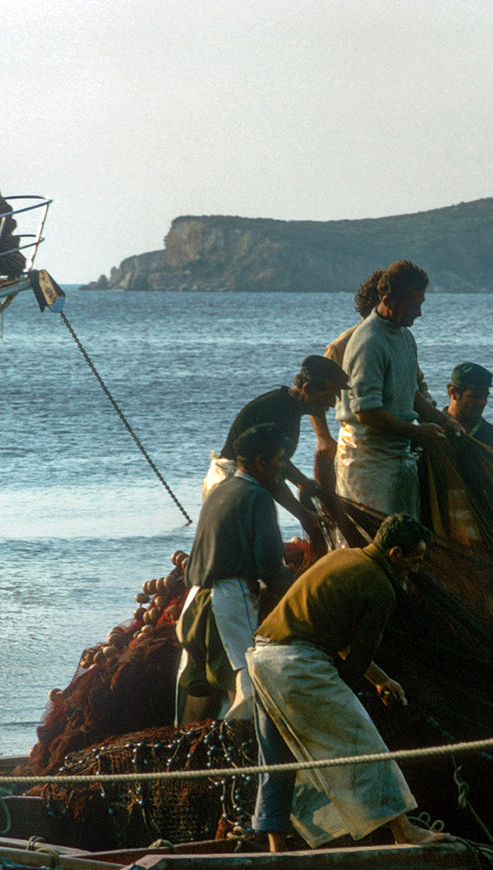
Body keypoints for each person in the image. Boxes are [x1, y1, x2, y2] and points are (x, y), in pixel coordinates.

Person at [245, 513, 453, 851]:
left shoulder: (344, 556)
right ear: (394, 554)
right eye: (414, 561)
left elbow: (334, 634)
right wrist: (354, 704)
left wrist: (382, 679)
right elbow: (354, 663)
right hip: (299, 666)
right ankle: (405, 832)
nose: (416, 569)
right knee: (363, 742)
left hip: (263, 658)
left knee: (276, 759)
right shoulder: (382, 588)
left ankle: (276, 850)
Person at [177, 423, 295, 724]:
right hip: (227, 601)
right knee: (246, 688)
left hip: (194, 601)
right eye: (280, 459)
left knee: (199, 685)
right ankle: (246, 761)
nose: (283, 467)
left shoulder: (221, 490)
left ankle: (189, 755)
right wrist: (299, 591)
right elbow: (270, 566)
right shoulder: (258, 497)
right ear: (260, 462)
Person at [333, 260, 461, 517]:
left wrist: (443, 421)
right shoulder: (369, 342)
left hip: (400, 460)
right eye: (414, 305)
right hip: (367, 464)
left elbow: (410, 393)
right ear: (388, 300)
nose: (419, 312)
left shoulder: (404, 336)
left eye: (421, 303)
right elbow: (366, 412)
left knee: (406, 543)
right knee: (374, 544)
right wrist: (418, 433)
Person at [203, 355, 349, 549]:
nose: (333, 404)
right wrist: (305, 516)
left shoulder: (289, 407)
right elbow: (271, 477)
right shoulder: (277, 412)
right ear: (308, 389)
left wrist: (303, 482)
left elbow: (279, 464)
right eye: (329, 396)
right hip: (230, 484)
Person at [444, 362, 493, 461]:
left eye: (485, 396)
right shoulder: (431, 430)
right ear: (453, 392)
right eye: (475, 396)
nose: (482, 402)